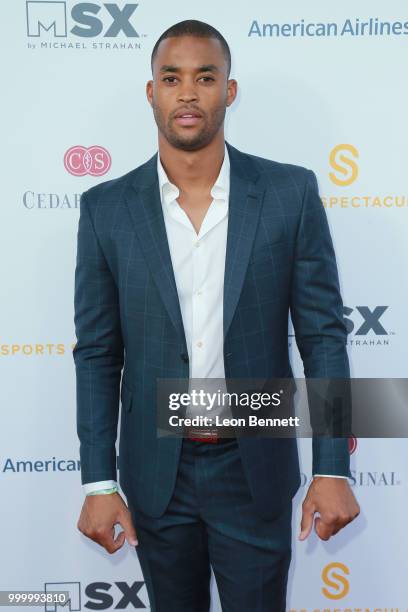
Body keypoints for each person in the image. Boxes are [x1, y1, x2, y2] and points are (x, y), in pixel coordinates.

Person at [73, 19, 360, 611]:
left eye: (205, 77)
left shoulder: (288, 193)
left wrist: (333, 468)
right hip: (156, 471)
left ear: (228, 92)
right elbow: (99, 354)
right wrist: (100, 481)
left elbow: (324, 336)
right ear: (150, 92)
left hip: (252, 466)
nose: (187, 93)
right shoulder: (106, 209)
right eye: (171, 77)